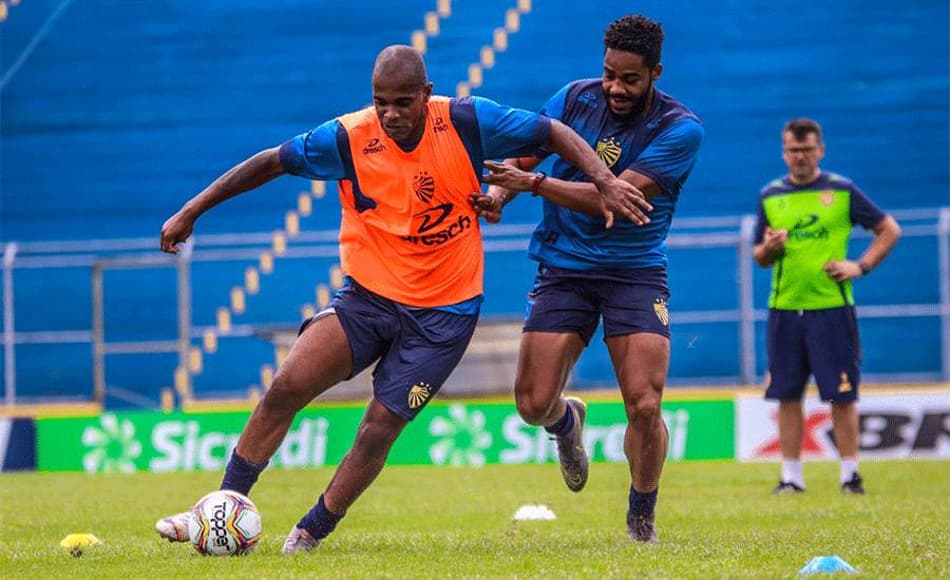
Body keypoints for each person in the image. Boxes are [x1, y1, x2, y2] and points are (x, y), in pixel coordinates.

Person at [154, 45, 649, 554]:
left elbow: (553, 132)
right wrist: (193, 210)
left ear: (426, 95)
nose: (390, 114)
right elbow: (270, 162)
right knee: (287, 385)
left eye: (402, 102)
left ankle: (309, 533)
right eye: (381, 102)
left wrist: (605, 181)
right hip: (368, 297)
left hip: (445, 313)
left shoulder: (466, 120)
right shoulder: (348, 137)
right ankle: (221, 509)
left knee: (377, 428)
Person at [471, 15, 704, 543]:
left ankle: (641, 517)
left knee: (644, 403)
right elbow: (527, 151)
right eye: (609, 75)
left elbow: (614, 198)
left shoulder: (680, 129)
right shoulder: (575, 99)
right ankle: (565, 424)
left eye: (630, 80)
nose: (616, 89)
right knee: (531, 404)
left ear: (655, 73)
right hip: (564, 268)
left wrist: (530, 184)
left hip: (635, 272)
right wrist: (500, 194)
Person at [753, 118, 900, 496]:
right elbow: (759, 254)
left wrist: (859, 266)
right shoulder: (770, 195)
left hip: (832, 309)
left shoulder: (842, 190)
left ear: (821, 150)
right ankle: (791, 477)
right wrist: (769, 249)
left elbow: (889, 228)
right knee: (787, 394)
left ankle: (850, 475)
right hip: (784, 309)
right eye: (792, 150)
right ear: (783, 152)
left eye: (806, 150)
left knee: (842, 393)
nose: (799, 157)